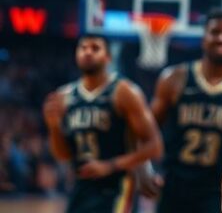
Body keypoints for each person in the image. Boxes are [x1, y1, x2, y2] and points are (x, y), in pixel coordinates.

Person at [139, 10, 222, 213]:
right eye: (215, 32)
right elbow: (145, 132)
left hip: (218, 193)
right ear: (203, 38)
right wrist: (143, 169)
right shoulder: (174, 78)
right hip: (174, 190)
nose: (221, 38)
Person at [42, 33, 163, 213]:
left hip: (118, 188)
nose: (88, 52)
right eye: (83, 48)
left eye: (95, 48)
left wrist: (110, 166)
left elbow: (155, 147)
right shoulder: (64, 97)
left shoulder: (125, 92)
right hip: (82, 188)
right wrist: (53, 127)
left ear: (108, 57)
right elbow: (63, 155)